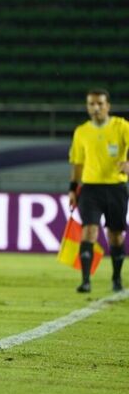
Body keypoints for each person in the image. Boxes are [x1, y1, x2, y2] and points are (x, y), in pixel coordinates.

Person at [68, 88, 129, 293]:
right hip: (90, 188)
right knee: (89, 231)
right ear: (87, 107)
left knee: (116, 236)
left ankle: (116, 278)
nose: (96, 108)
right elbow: (77, 163)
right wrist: (72, 189)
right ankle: (86, 281)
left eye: (100, 104)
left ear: (108, 106)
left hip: (116, 188)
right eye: (91, 104)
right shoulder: (81, 131)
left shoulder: (122, 127)